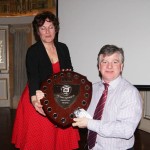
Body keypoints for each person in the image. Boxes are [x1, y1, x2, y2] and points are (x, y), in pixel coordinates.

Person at [12, 11, 80, 150]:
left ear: (56, 29)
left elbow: (68, 70)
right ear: (38, 32)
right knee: (41, 140)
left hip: (59, 96)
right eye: (43, 28)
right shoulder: (33, 51)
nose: (47, 32)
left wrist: (69, 78)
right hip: (38, 94)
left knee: (60, 139)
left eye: (50, 27)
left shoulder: (63, 48)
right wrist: (34, 99)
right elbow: (33, 76)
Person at [72, 44, 142, 150]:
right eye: (105, 62)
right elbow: (83, 113)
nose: (109, 66)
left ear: (121, 66)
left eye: (115, 62)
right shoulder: (92, 89)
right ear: (99, 67)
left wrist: (90, 124)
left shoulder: (130, 93)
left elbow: (126, 130)